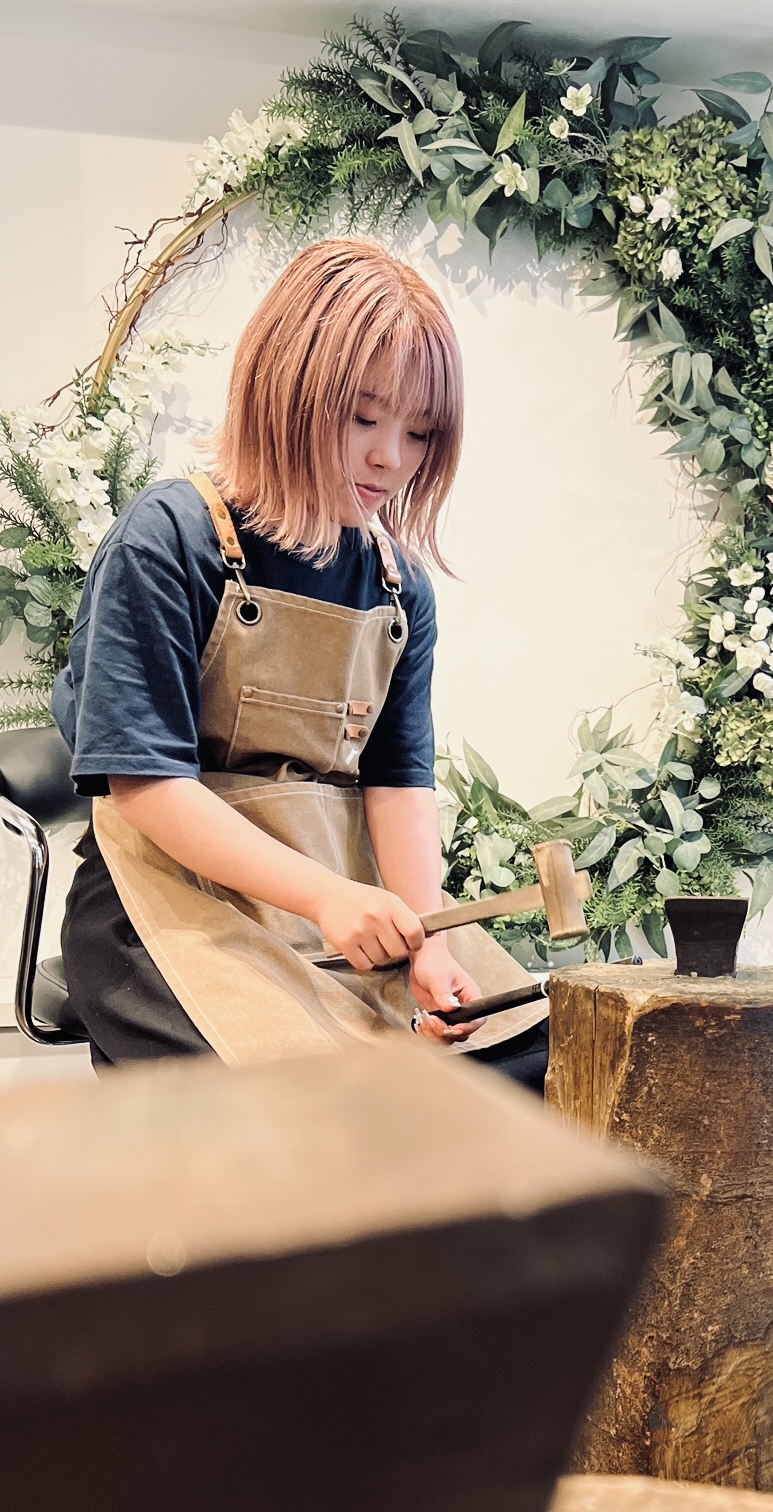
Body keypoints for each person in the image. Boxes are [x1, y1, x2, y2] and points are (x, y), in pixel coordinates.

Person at [53, 237, 548, 1083]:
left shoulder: (400, 589)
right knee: (319, 1110)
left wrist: (427, 939)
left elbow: (399, 782)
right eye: (363, 418)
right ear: (283, 388)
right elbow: (147, 786)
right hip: (168, 902)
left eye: (419, 432)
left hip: (337, 901)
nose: (391, 458)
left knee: (526, 1063)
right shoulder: (168, 539)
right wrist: (325, 897)